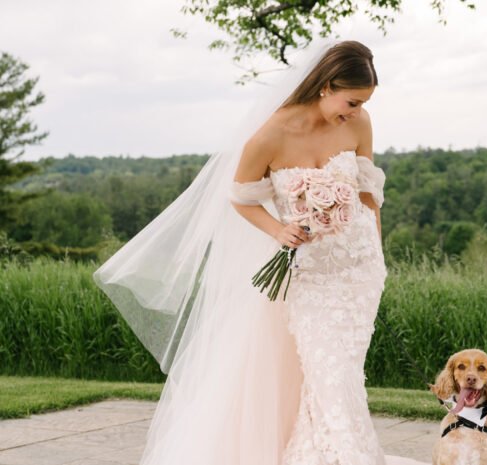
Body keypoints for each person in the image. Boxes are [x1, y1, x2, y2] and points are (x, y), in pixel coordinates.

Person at [93, 38, 428, 465]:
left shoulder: (359, 125)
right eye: (352, 101)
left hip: (359, 273)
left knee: (342, 375)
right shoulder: (270, 135)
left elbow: (367, 192)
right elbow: (240, 197)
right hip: (310, 274)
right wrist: (279, 229)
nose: (356, 111)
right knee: (332, 375)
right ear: (326, 85)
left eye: (362, 103)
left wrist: (375, 255)